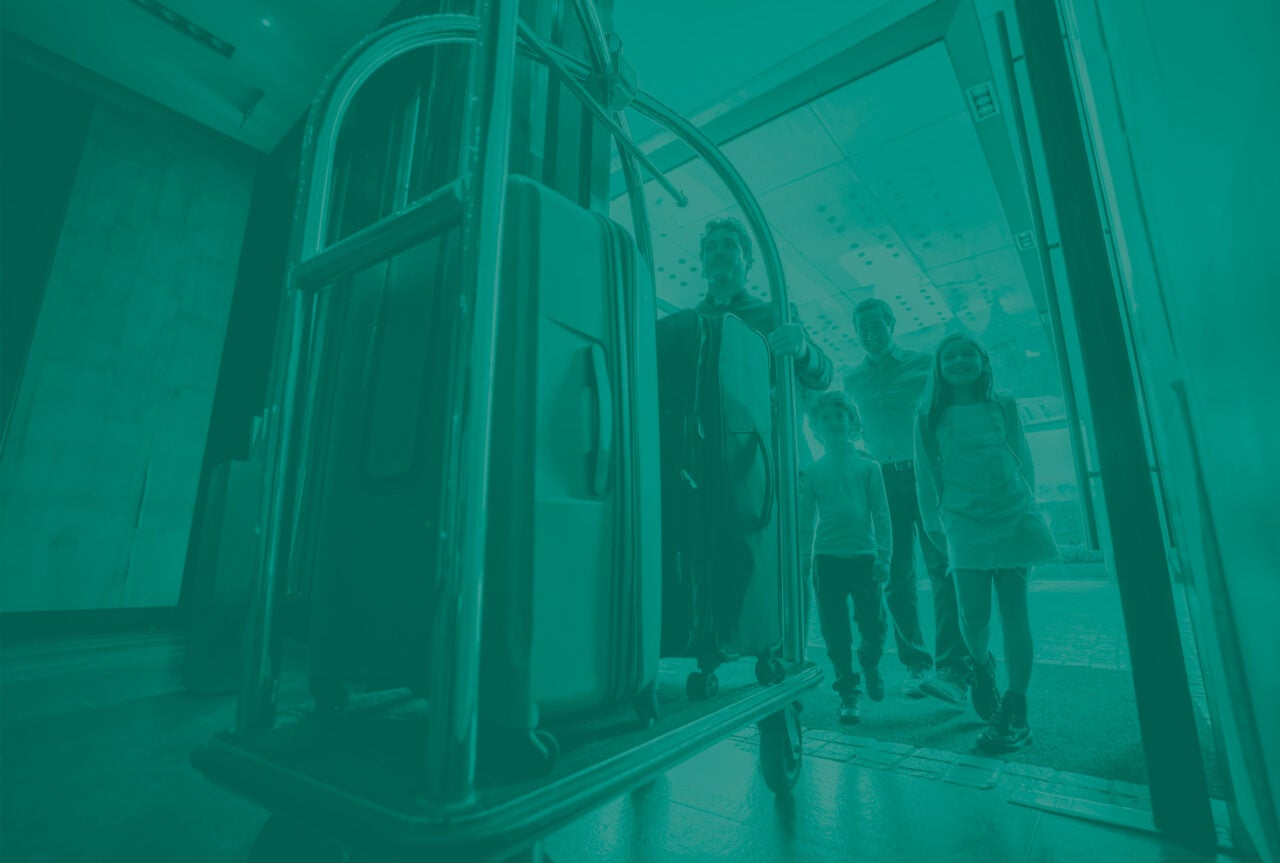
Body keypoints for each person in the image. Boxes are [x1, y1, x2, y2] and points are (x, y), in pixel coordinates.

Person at [914, 332, 1058, 752]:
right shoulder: (928, 416)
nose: (959, 360)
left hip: (1013, 517)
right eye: (950, 356)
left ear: (983, 361)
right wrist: (933, 529)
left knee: (1016, 614)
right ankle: (981, 666)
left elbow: (1023, 459)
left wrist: (1029, 511)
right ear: (939, 368)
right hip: (963, 524)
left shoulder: (1005, 404)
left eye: (968, 353)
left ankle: (1016, 709)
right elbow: (925, 477)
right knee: (972, 616)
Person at [843, 298, 968, 702]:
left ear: (891, 323)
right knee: (895, 576)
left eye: (877, 325)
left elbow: (944, 416)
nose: (870, 333)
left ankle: (952, 665)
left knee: (942, 567)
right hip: (881, 479)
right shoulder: (853, 380)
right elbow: (855, 428)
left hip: (924, 476)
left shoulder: (923, 364)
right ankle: (916, 665)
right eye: (863, 328)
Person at [798, 391, 891, 724]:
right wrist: (804, 558)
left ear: (852, 422)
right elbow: (806, 519)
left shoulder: (869, 468)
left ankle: (870, 663)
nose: (834, 422)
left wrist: (885, 556)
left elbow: (881, 515)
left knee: (874, 624)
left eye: (840, 416)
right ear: (817, 428)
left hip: (865, 557)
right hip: (827, 559)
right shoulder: (813, 472)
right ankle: (848, 692)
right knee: (834, 629)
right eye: (827, 418)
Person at [694, 216, 832, 393]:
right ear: (703, 264)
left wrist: (803, 350)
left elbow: (824, 376)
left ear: (748, 261)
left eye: (729, 245)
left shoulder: (778, 313)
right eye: (710, 248)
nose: (718, 252)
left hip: (763, 420)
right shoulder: (691, 321)